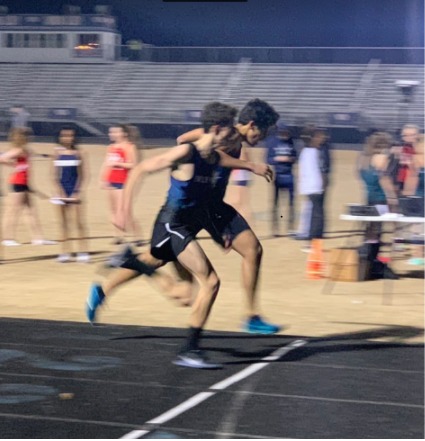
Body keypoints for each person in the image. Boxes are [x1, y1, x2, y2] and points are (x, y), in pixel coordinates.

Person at [87, 102, 273, 368]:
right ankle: (189, 350)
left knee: (185, 294)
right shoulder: (189, 152)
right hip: (172, 222)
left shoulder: (213, 156)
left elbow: (216, 175)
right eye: (227, 131)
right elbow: (141, 169)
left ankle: (126, 266)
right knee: (207, 283)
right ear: (218, 129)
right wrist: (122, 212)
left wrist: (222, 232)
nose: (232, 136)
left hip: (190, 220)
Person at [176, 99, 281, 333]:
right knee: (156, 256)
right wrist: (248, 165)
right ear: (252, 125)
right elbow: (186, 142)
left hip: (213, 205)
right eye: (264, 131)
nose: (264, 138)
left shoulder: (234, 138)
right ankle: (109, 282)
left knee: (253, 250)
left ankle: (252, 317)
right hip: (197, 205)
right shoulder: (230, 135)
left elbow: (184, 140)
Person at [0, 128, 56, 246]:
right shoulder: (18, 150)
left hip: (24, 182)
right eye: (28, 136)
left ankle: (38, 238)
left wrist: (49, 156)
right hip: (18, 183)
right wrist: (11, 164)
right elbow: (2, 158)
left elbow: (34, 155)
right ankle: (7, 238)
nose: (30, 138)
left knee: (31, 211)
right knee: (13, 211)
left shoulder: (25, 150)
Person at [99, 124, 142, 245]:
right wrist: (103, 178)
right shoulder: (111, 147)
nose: (112, 135)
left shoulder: (129, 147)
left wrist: (119, 164)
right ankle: (118, 235)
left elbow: (133, 164)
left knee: (125, 211)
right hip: (112, 180)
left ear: (124, 134)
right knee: (113, 210)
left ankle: (137, 236)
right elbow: (106, 164)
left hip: (124, 182)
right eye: (111, 132)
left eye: (115, 132)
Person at [52, 127, 89, 263]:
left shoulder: (80, 153)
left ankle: (83, 252)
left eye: (70, 135)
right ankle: (65, 252)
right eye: (65, 135)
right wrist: (59, 190)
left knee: (79, 223)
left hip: (74, 190)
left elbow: (83, 175)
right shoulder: (56, 153)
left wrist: (77, 191)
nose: (68, 138)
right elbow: (53, 175)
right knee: (63, 223)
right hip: (61, 191)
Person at [357, 132, 398, 242]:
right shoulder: (381, 157)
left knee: (370, 225)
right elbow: (384, 179)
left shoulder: (363, 159)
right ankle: (373, 254)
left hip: (369, 196)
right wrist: (392, 197)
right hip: (381, 197)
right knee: (378, 228)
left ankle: (367, 252)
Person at [266, 121, 297, 236]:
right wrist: (278, 159)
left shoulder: (291, 142)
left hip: (289, 175)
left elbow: (295, 156)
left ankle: (291, 227)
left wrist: (290, 159)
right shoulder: (272, 142)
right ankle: (275, 229)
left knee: (291, 204)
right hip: (278, 176)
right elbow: (268, 159)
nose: (286, 134)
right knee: (276, 203)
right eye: (284, 132)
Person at [298, 125, 326, 252]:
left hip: (311, 187)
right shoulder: (315, 152)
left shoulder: (305, 152)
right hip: (315, 186)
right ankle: (313, 242)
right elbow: (320, 170)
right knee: (316, 215)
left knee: (315, 215)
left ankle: (313, 242)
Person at [404, 133, 424, 266]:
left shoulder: (416, 159)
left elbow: (412, 178)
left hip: (418, 195)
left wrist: (406, 195)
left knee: (417, 227)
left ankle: (418, 256)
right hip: (419, 195)